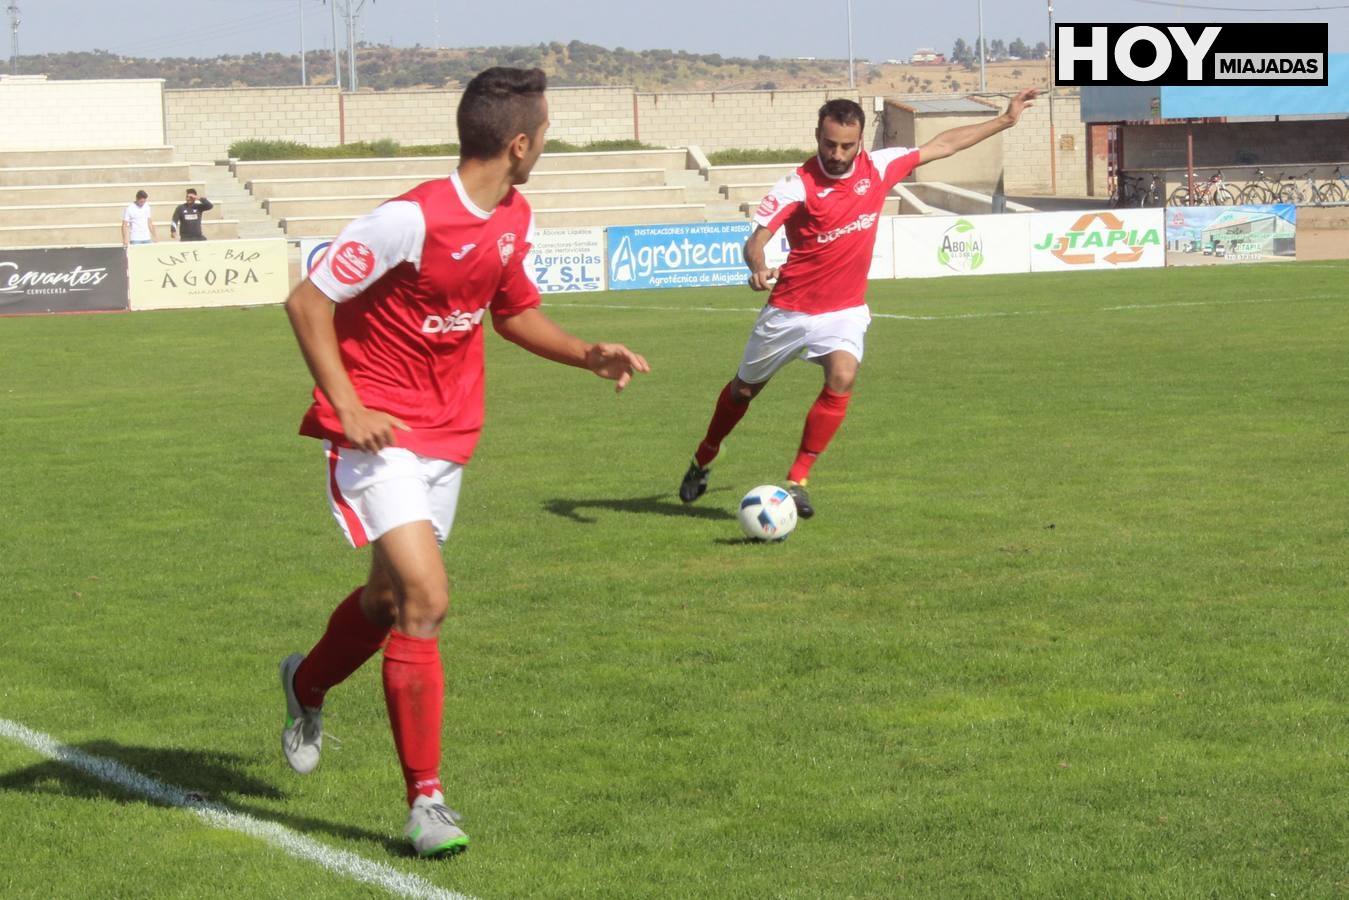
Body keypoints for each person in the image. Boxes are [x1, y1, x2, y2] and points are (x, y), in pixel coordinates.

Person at [278, 66, 648, 859]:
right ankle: (427, 802)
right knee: (427, 597)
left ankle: (305, 684)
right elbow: (307, 301)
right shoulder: (407, 220)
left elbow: (513, 313)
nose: (545, 142)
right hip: (378, 434)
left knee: (386, 602)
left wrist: (586, 352)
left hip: (449, 439)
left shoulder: (514, 214)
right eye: (544, 132)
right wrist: (347, 406)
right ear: (518, 143)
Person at [678, 89, 1038, 518]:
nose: (837, 153)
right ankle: (704, 455)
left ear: (861, 141)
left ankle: (797, 480)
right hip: (789, 310)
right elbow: (757, 240)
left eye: (847, 145)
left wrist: (1005, 121)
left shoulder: (879, 168)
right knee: (742, 392)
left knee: (843, 374)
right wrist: (757, 266)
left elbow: (943, 145)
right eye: (829, 144)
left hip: (843, 310)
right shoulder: (798, 184)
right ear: (817, 135)